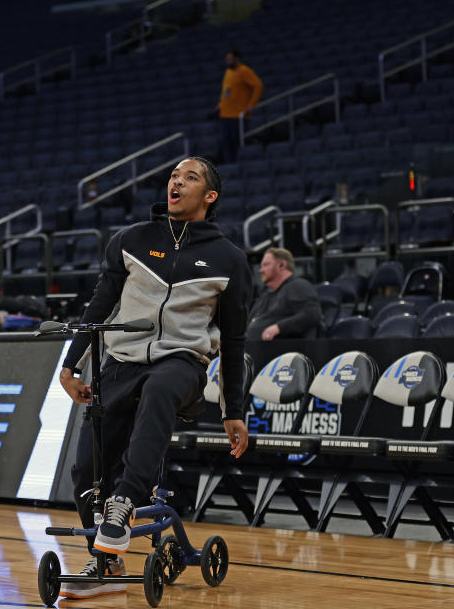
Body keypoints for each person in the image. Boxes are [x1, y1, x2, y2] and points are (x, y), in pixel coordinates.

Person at [57, 156, 251, 599]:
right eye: (173, 176)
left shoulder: (230, 259)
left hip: (181, 366)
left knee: (162, 386)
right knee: (86, 469)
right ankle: (104, 562)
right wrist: (70, 367)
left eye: (190, 177)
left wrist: (232, 411)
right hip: (121, 365)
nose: (177, 182)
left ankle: (125, 502)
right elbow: (97, 311)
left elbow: (235, 341)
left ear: (209, 196)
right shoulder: (130, 241)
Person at [245, 248, 323, 341]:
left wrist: (278, 328)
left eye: (266, 265)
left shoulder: (297, 286)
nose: (261, 270)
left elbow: (312, 314)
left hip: (284, 351)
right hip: (252, 350)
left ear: (282, 265)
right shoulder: (265, 295)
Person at [216, 49, 262, 164]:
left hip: (237, 116)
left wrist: (251, 105)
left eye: (230, 59)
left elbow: (258, 86)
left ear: (237, 59)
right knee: (224, 143)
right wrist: (219, 106)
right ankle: (229, 168)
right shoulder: (228, 72)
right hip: (225, 115)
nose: (228, 62)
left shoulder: (244, 71)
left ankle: (238, 167)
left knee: (236, 143)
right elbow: (226, 92)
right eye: (227, 59)